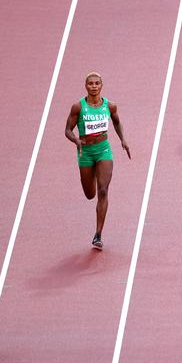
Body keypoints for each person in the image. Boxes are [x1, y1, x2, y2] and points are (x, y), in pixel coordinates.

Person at [65, 72, 130, 249]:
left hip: (103, 150)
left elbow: (116, 122)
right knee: (90, 194)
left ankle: (98, 234)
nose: (93, 86)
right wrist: (76, 140)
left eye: (97, 83)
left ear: (101, 85)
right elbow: (68, 130)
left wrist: (123, 139)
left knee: (103, 191)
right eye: (90, 84)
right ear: (86, 86)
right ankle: (92, 173)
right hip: (86, 152)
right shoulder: (78, 107)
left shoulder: (110, 105)